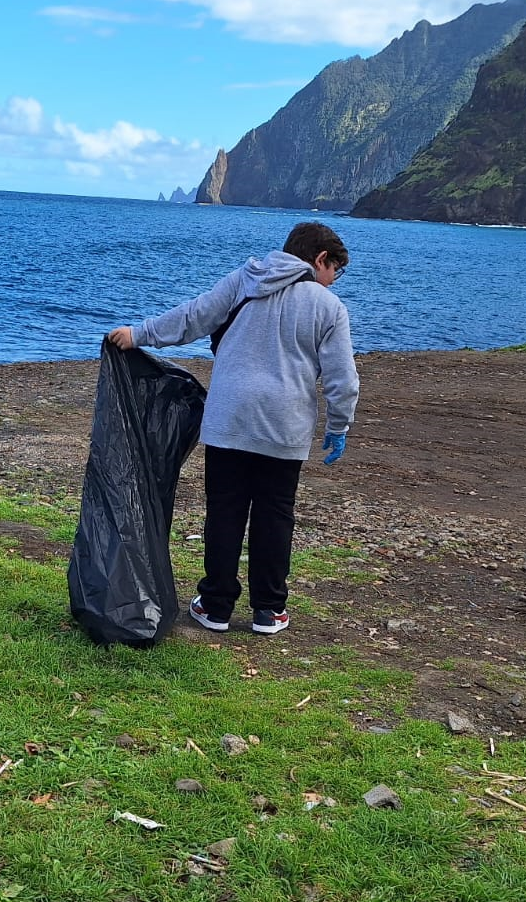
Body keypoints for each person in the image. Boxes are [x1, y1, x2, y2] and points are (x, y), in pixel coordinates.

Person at [107, 221, 359, 636]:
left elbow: (193, 316)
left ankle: (216, 606)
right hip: (284, 427)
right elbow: (342, 379)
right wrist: (338, 425)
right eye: (336, 271)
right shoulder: (327, 307)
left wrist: (139, 334)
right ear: (320, 260)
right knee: (275, 516)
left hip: (228, 420)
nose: (333, 281)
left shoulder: (244, 279)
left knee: (225, 511)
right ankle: (269, 611)